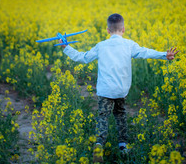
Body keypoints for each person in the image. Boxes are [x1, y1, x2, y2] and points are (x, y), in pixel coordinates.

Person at [59, 13, 179, 163]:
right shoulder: (129, 45)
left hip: (105, 91)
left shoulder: (101, 46)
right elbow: (145, 52)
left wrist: (66, 47)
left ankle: (98, 145)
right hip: (121, 90)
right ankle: (123, 147)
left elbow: (82, 58)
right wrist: (164, 55)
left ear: (108, 31)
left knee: (103, 117)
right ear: (123, 29)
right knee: (120, 116)